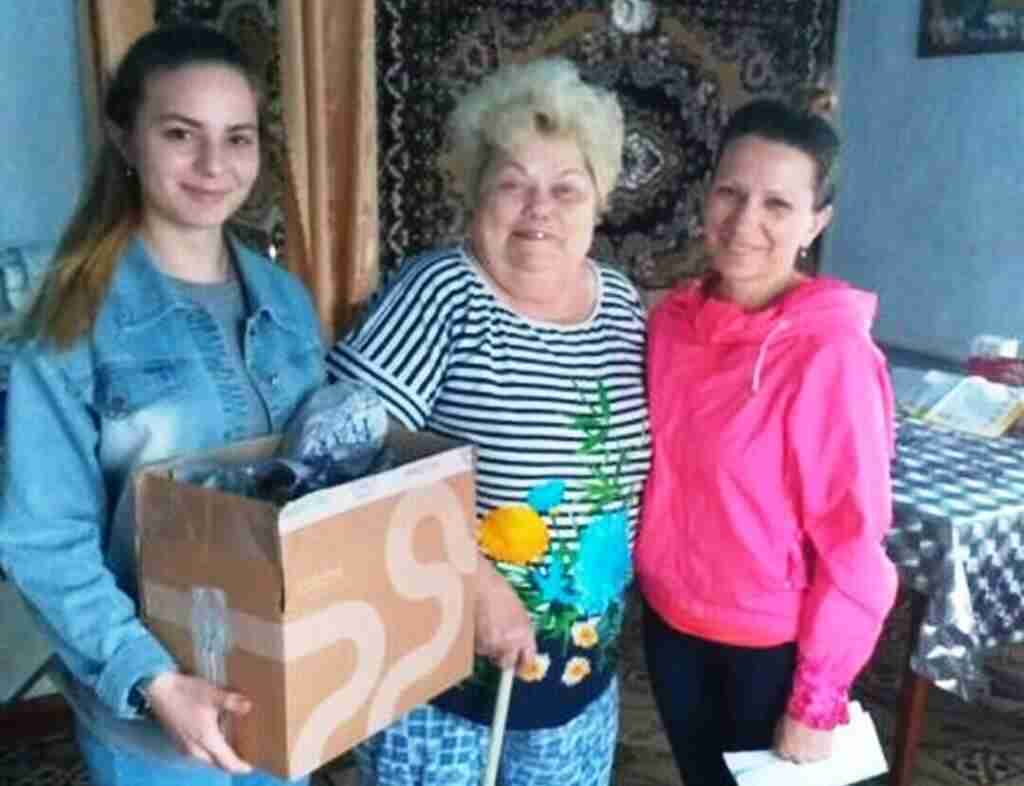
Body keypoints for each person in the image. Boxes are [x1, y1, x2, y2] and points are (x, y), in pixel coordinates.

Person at [0, 24, 323, 786]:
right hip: (157, 719)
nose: (215, 165)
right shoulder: (72, 320)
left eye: (237, 138)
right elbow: (43, 538)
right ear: (125, 138)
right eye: (181, 134)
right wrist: (154, 680)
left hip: (280, 685)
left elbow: (318, 477)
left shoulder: (284, 300)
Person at [326, 58, 651, 786]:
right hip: (437, 686)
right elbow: (335, 455)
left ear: (598, 202)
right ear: (476, 195)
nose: (540, 209)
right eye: (513, 184)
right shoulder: (441, 292)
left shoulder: (622, 306)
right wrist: (470, 580)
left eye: (566, 188)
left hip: (577, 683)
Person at [636, 98, 897, 785]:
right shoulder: (670, 326)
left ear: (816, 222)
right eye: (731, 192)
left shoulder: (830, 353)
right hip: (669, 627)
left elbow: (853, 539)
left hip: (769, 651)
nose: (744, 221)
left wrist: (818, 696)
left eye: (778, 204)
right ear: (706, 197)